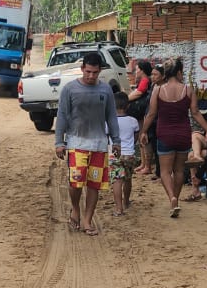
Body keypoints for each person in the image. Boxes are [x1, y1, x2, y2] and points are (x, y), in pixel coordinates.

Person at [54, 52, 120, 236]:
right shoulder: (69, 89)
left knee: (94, 185)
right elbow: (62, 116)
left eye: (95, 72)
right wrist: (59, 142)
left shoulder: (106, 90)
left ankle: (87, 220)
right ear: (82, 68)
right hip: (76, 143)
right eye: (88, 71)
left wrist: (116, 141)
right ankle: (75, 209)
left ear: (100, 71)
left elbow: (111, 116)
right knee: (76, 183)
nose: (91, 76)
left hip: (99, 144)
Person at [141, 57, 207, 218]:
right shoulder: (188, 90)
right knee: (179, 170)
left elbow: (151, 114)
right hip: (183, 134)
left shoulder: (158, 90)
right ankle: (177, 199)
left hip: (164, 134)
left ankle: (172, 198)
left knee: (165, 172)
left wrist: (143, 131)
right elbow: (195, 113)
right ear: (180, 72)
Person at [110, 92, 140, 217]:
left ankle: (118, 208)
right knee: (127, 179)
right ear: (128, 106)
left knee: (117, 180)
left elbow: (106, 135)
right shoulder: (133, 121)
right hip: (129, 154)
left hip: (115, 155)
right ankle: (126, 202)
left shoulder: (110, 122)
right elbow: (136, 136)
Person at [128, 60, 155, 176]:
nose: (136, 71)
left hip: (144, 113)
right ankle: (144, 164)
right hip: (141, 113)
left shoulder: (145, 80)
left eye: (137, 69)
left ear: (142, 70)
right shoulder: (145, 80)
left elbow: (139, 93)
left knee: (144, 139)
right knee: (141, 139)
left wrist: (126, 99)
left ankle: (147, 165)